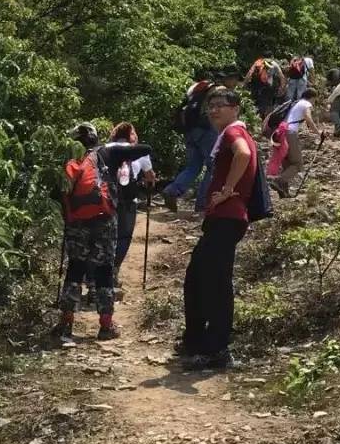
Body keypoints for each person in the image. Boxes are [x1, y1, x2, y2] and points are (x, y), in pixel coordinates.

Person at [180, 87, 258, 369]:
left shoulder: (234, 133)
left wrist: (227, 189)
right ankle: (196, 341)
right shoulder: (234, 132)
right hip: (224, 218)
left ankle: (216, 348)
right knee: (199, 278)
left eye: (220, 105)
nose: (213, 110)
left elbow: (243, 155)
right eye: (210, 105)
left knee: (214, 282)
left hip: (228, 216)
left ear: (235, 108)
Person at [56, 123, 152, 345]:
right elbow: (145, 149)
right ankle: (106, 325)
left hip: (76, 222)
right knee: (104, 270)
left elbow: (60, 194)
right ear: (94, 138)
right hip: (104, 219)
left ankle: (66, 322)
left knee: (75, 267)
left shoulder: (70, 161)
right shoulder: (108, 153)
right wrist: (126, 147)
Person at [107, 122, 155, 296]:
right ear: (130, 135)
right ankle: (113, 270)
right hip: (128, 200)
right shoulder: (138, 152)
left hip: (107, 200)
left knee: (106, 236)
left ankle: (97, 275)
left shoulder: (105, 149)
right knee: (124, 236)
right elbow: (150, 176)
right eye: (134, 132)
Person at [163, 74, 219, 214]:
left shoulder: (198, 88)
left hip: (190, 131)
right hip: (206, 131)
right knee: (213, 167)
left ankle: (172, 190)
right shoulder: (219, 90)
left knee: (193, 166)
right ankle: (202, 204)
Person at [271, 88, 318, 197]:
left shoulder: (295, 104)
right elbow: (308, 118)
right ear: (312, 97)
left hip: (280, 132)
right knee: (297, 164)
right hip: (289, 133)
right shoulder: (306, 104)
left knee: (287, 164)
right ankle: (278, 180)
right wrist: (318, 132)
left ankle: (284, 193)